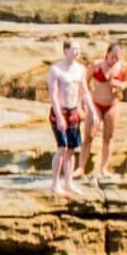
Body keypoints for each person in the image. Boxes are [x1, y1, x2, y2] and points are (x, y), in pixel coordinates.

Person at [83, 39, 127, 180]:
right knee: (89, 136)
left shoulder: (123, 66)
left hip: (112, 104)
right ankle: (81, 167)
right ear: (107, 54)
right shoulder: (96, 65)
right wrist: (88, 97)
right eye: (113, 56)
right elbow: (84, 81)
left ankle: (104, 168)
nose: (115, 59)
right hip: (96, 104)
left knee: (108, 137)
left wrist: (121, 85)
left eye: (118, 57)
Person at [46, 38, 88, 197]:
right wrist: (59, 117)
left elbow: (84, 92)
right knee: (62, 148)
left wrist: (91, 110)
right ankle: (55, 183)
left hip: (73, 112)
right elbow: (54, 96)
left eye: (79, 49)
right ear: (65, 50)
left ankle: (69, 182)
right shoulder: (56, 70)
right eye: (74, 49)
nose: (77, 52)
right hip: (60, 112)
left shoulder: (80, 69)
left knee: (71, 149)